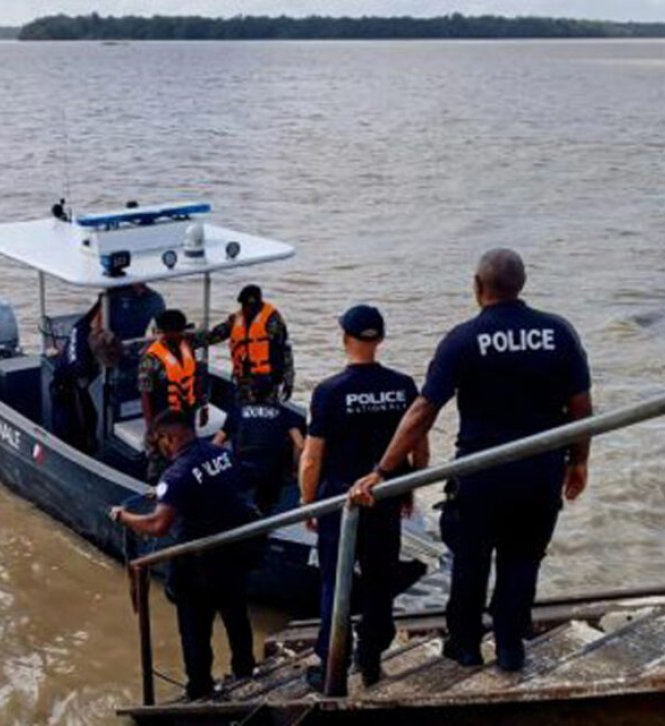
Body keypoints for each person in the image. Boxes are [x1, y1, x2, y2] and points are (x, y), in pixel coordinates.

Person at [351, 249, 592, 673]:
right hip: (540, 471)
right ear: (522, 284)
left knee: (471, 560)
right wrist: (579, 461)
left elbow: (423, 411)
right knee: (523, 560)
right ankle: (510, 646)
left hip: (480, 474)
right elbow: (581, 406)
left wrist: (383, 470)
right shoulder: (559, 332)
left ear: (478, 287)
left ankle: (464, 645)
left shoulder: (463, 339)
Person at [299, 305, 429, 694]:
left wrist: (308, 502)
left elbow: (312, 457)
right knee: (379, 579)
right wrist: (408, 488)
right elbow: (419, 447)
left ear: (345, 338)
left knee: (334, 581)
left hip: (341, 501)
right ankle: (371, 657)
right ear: (380, 339)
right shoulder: (403, 386)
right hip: (384, 498)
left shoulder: (329, 391)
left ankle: (332, 664)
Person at [110, 410, 259, 699]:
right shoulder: (221, 454)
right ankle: (245, 670)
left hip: (198, 565)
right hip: (234, 553)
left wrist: (122, 517)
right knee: (236, 616)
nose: (160, 449)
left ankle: (200, 689)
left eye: (159, 441)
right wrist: (164, 493)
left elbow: (158, 525)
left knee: (195, 631)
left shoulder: (176, 474)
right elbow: (223, 487)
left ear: (169, 438)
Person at [212, 380, 304, 515]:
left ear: (250, 394)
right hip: (272, 470)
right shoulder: (284, 412)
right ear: (273, 393)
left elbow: (216, 443)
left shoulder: (238, 411)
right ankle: (264, 513)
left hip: (242, 467)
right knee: (267, 506)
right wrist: (295, 469)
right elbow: (300, 444)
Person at [138, 309, 208, 483]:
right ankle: (155, 488)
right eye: (175, 332)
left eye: (181, 331)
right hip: (163, 418)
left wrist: (204, 406)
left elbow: (195, 379)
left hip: (187, 414)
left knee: (187, 453)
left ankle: (185, 484)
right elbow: (145, 396)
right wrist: (151, 428)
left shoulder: (188, 346)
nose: (180, 335)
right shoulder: (150, 359)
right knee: (159, 460)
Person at [50, 297, 121, 454]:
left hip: (84, 381)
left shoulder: (89, 325)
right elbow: (80, 388)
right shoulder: (82, 340)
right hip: (67, 387)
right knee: (73, 427)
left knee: (90, 419)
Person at [208, 285, 294, 404]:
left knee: (266, 412)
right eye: (244, 305)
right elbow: (215, 335)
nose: (246, 309)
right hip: (244, 380)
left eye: (250, 306)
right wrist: (188, 341)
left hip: (268, 380)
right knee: (243, 411)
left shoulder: (273, 320)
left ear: (258, 304)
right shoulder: (236, 319)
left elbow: (285, 350)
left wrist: (288, 380)